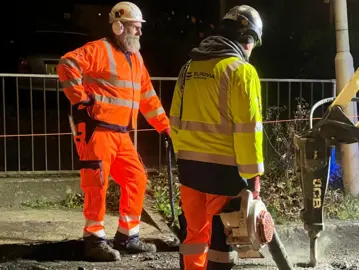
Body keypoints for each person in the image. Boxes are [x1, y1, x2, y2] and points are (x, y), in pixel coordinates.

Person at [56, 1, 170, 262]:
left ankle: (128, 236)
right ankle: (94, 240)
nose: (140, 32)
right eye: (135, 27)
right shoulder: (98, 50)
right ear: (119, 27)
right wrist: (81, 99)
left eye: (140, 28)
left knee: (136, 178)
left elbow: (148, 98)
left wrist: (166, 128)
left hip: (120, 134)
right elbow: (66, 64)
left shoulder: (136, 59)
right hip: (97, 131)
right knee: (97, 183)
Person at [169, 5, 264, 270]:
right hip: (225, 174)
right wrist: (253, 177)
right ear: (247, 40)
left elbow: (174, 122)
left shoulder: (188, 68)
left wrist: (184, 157)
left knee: (194, 236)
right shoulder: (241, 72)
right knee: (223, 241)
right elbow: (248, 131)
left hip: (188, 170)